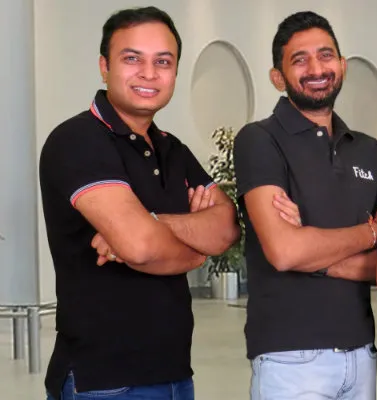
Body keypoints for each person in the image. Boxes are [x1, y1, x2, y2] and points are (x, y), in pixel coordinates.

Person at [38, 6, 241, 400]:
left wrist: (151, 222)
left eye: (163, 62)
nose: (149, 74)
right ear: (104, 66)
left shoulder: (173, 149)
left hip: (176, 374)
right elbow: (140, 246)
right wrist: (195, 251)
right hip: (104, 381)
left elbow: (227, 228)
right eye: (132, 59)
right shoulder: (78, 140)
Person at [233, 11, 377, 400]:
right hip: (291, 359)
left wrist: (316, 255)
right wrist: (370, 232)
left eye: (325, 55)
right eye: (299, 60)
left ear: (342, 65)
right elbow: (286, 251)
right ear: (278, 77)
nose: (317, 69)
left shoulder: (369, 151)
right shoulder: (260, 140)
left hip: (362, 354)